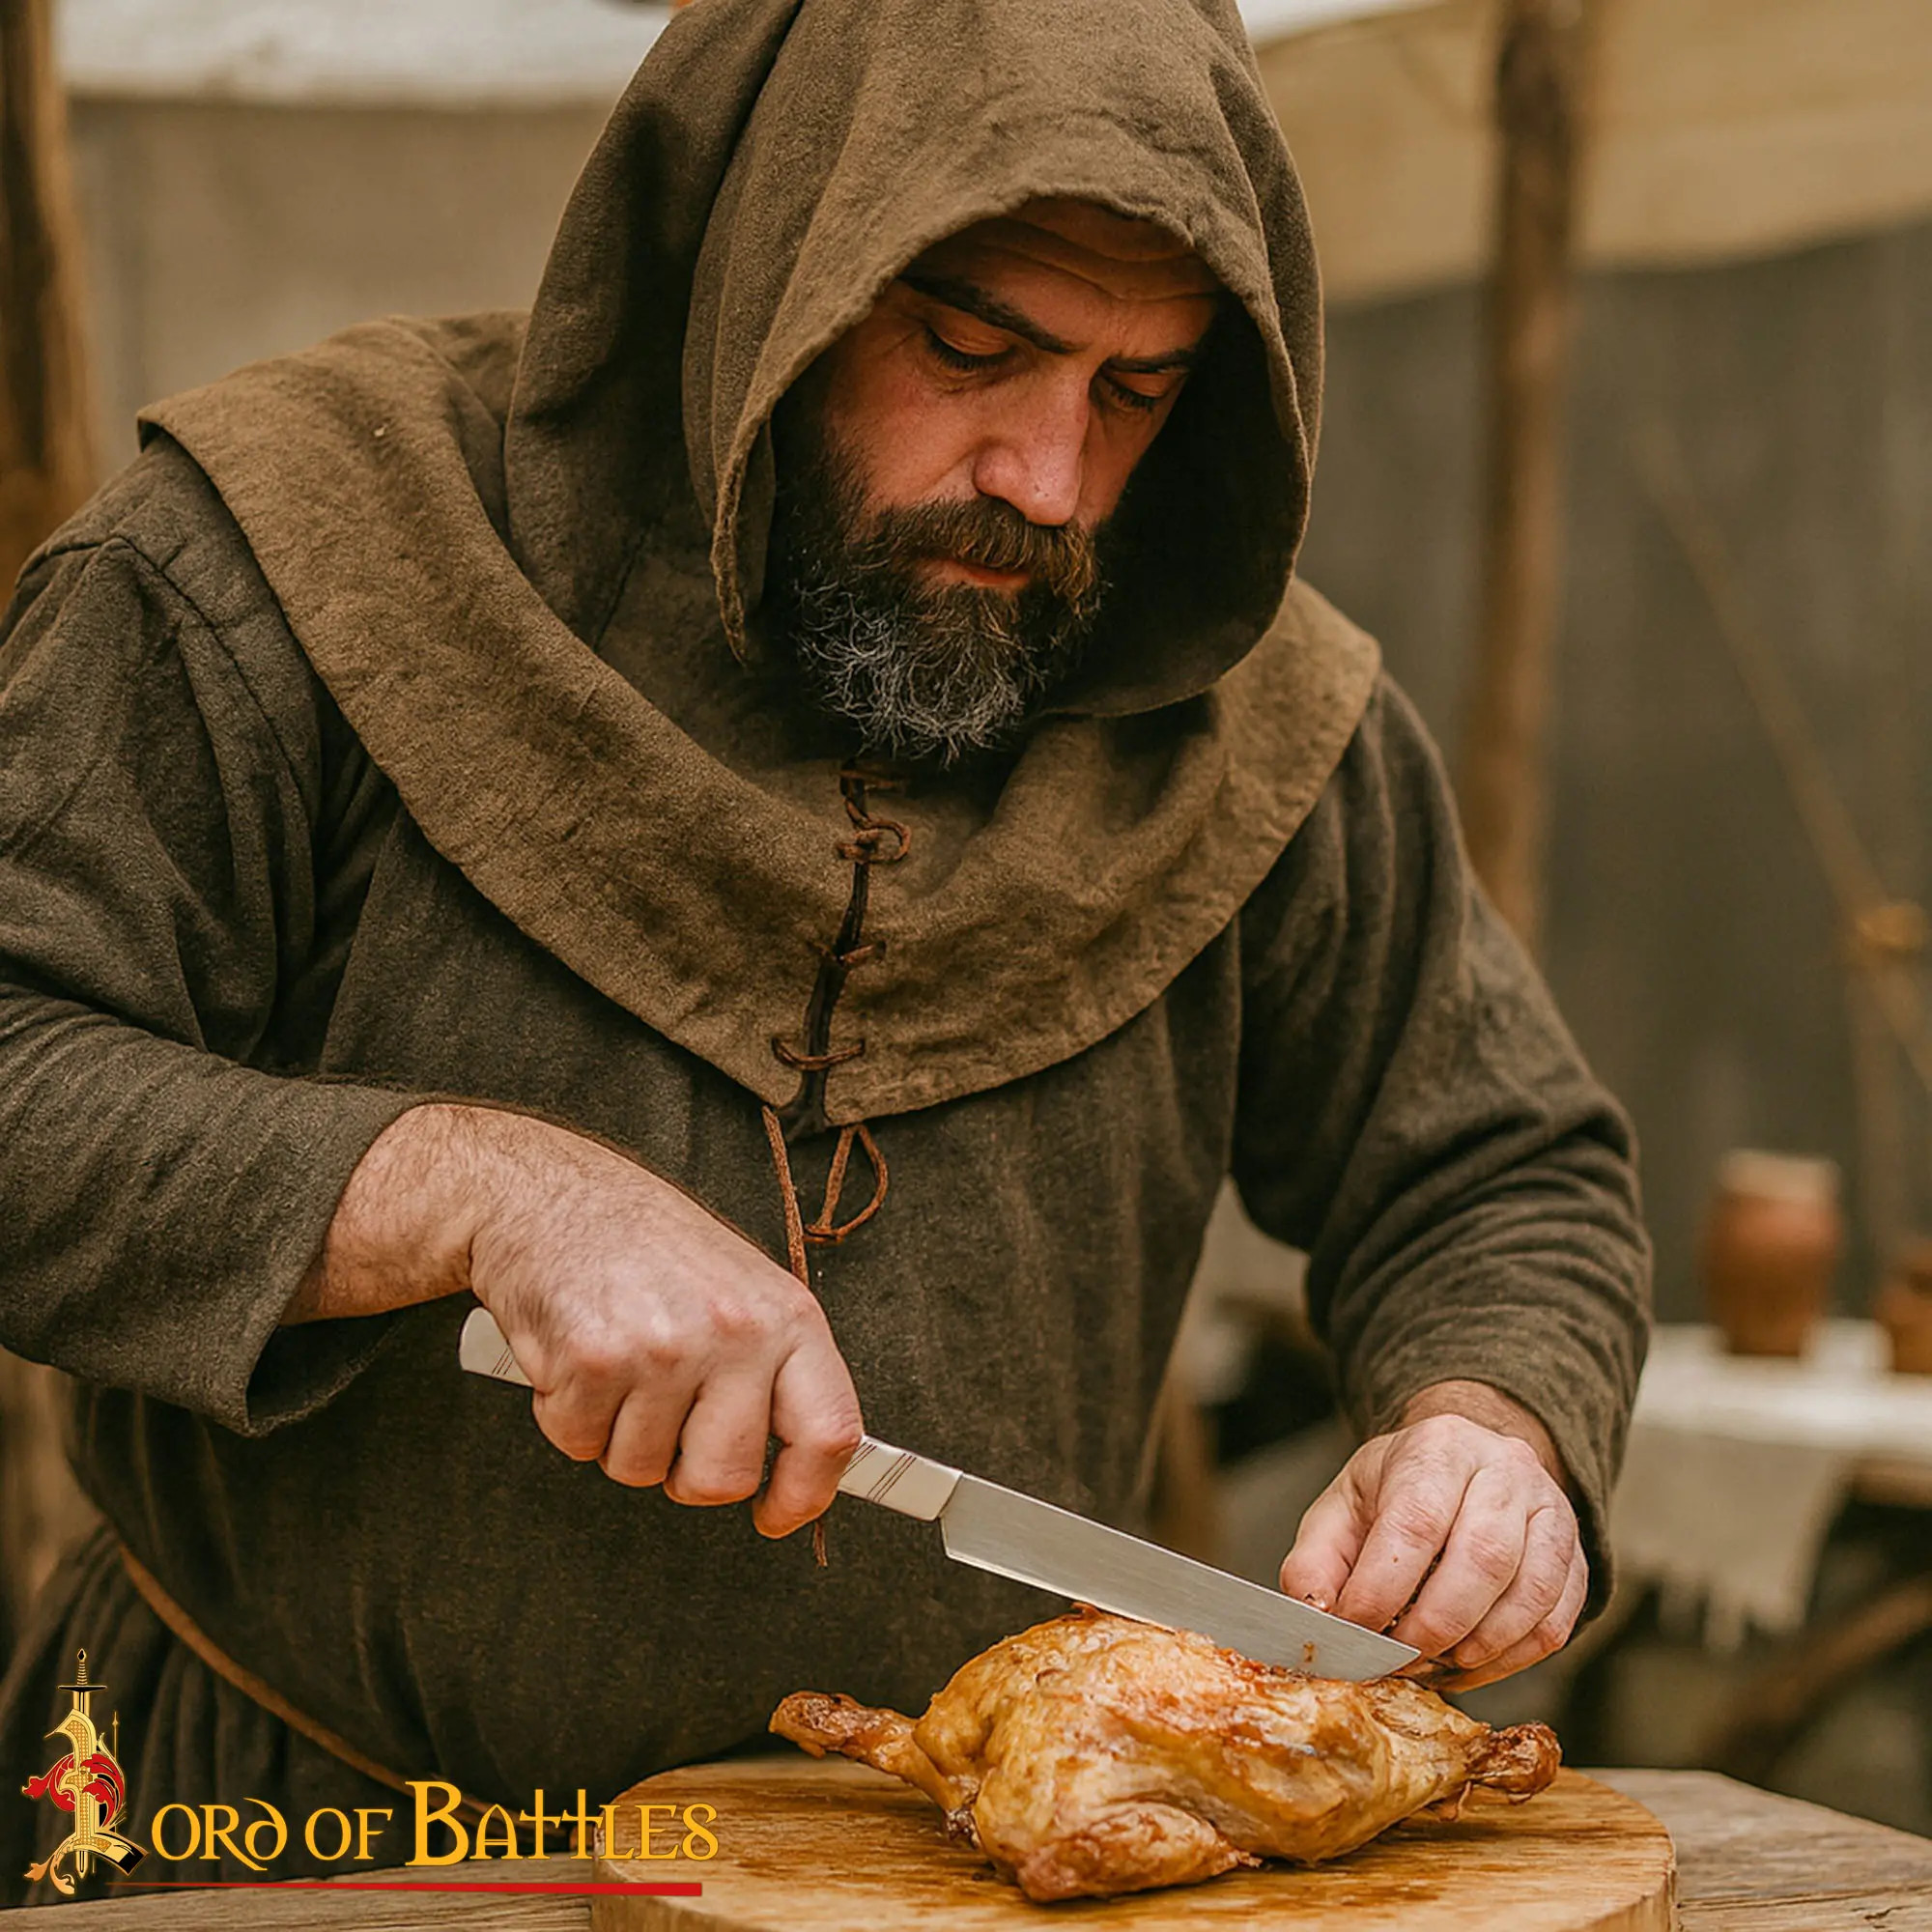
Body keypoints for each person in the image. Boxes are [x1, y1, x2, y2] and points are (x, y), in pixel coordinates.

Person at [0, 0, 1648, 1893]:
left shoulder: (1263, 728)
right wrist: (471, 1190)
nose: (1046, 477)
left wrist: (1489, 1420)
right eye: (971, 346)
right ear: (767, 263)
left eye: (1136, 390)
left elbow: (1498, 1171)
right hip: (288, 1839)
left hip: (956, 1876)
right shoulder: (288, 556)